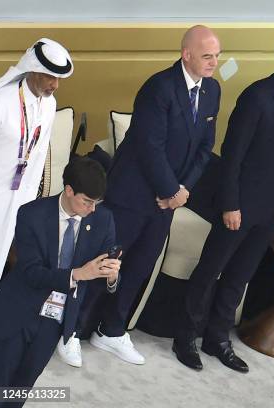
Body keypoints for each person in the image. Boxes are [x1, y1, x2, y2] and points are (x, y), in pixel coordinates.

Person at [173, 29, 274, 373]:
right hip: (238, 205)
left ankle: (217, 338)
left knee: (240, 276)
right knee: (210, 271)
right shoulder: (257, 96)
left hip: (272, 209)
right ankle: (186, 337)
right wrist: (230, 204)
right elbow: (232, 156)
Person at [76, 25, 222, 366]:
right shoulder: (159, 88)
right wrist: (171, 191)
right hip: (132, 195)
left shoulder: (212, 90)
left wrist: (181, 191)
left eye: (217, 56)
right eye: (206, 56)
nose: (214, 62)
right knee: (105, 264)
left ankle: (111, 331)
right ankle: (72, 329)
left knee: (139, 268)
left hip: (166, 203)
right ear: (186, 54)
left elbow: (205, 148)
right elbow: (149, 147)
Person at [0, 157, 120, 404]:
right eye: (87, 202)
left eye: (97, 202)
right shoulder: (32, 214)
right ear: (69, 190)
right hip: (18, 312)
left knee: (21, 388)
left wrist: (112, 274)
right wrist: (76, 275)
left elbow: (104, 270)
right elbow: (30, 272)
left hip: (56, 319)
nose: (92, 209)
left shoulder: (103, 220)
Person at [0, 38, 73, 293]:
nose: (55, 85)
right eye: (50, 77)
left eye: (59, 79)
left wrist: (32, 204)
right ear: (34, 70)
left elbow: (37, 157)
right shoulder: (0, 102)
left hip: (20, 198)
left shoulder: (48, 105)